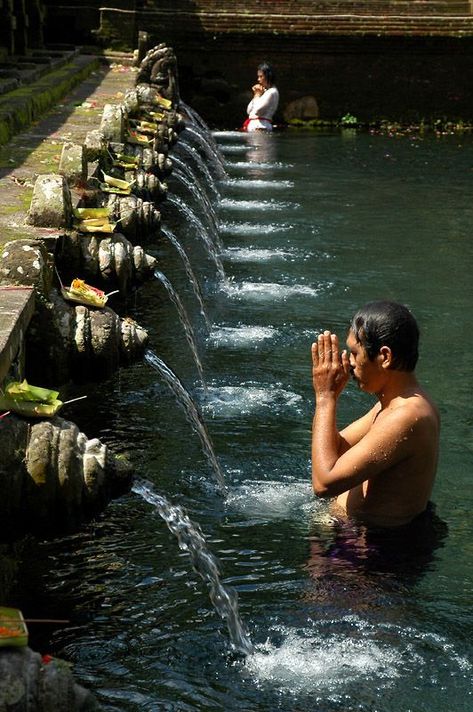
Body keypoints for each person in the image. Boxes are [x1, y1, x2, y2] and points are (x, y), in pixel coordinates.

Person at [311, 301, 440, 528]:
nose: (348, 363)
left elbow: (324, 483)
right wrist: (332, 396)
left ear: (385, 356)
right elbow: (336, 452)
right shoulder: (393, 405)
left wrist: (325, 397)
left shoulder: (406, 416)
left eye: (354, 353)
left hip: (377, 555)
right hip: (361, 540)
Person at [242, 62, 279, 132]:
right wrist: (256, 95)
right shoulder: (264, 92)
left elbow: (258, 111)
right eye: (258, 76)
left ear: (268, 76)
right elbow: (249, 111)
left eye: (261, 76)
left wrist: (257, 95)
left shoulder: (272, 92)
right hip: (256, 126)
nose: (258, 79)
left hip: (261, 126)